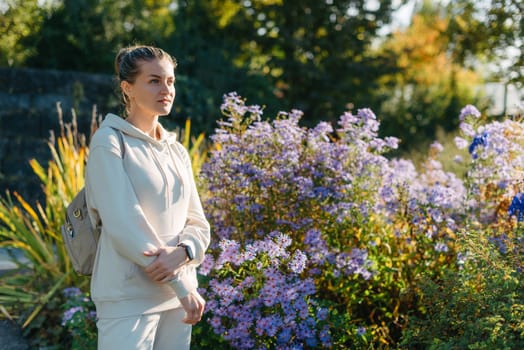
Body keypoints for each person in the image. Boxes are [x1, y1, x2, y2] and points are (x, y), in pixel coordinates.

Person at [84, 45, 210, 349]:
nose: (165, 89)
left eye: (170, 81)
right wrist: (179, 283)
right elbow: (124, 223)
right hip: (129, 298)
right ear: (128, 88)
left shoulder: (176, 150)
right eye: (154, 81)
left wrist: (184, 251)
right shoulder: (109, 142)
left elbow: (198, 222)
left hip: (179, 299)